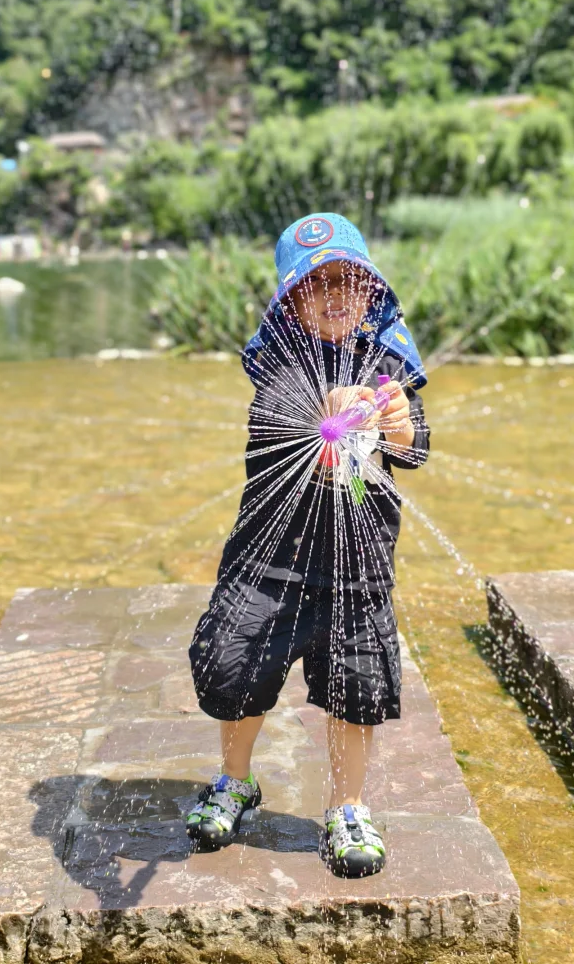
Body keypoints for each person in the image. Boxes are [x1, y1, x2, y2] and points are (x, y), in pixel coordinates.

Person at [185, 211, 429, 877]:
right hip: (271, 563)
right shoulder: (280, 367)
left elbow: (413, 448)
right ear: (288, 303)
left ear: (373, 294)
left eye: (349, 283)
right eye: (314, 286)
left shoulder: (388, 367)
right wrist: (335, 413)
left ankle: (346, 806)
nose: (333, 296)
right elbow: (293, 420)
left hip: (357, 568)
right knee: (235, 667)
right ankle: (235, 778)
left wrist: (398, 423)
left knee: (357, 685)